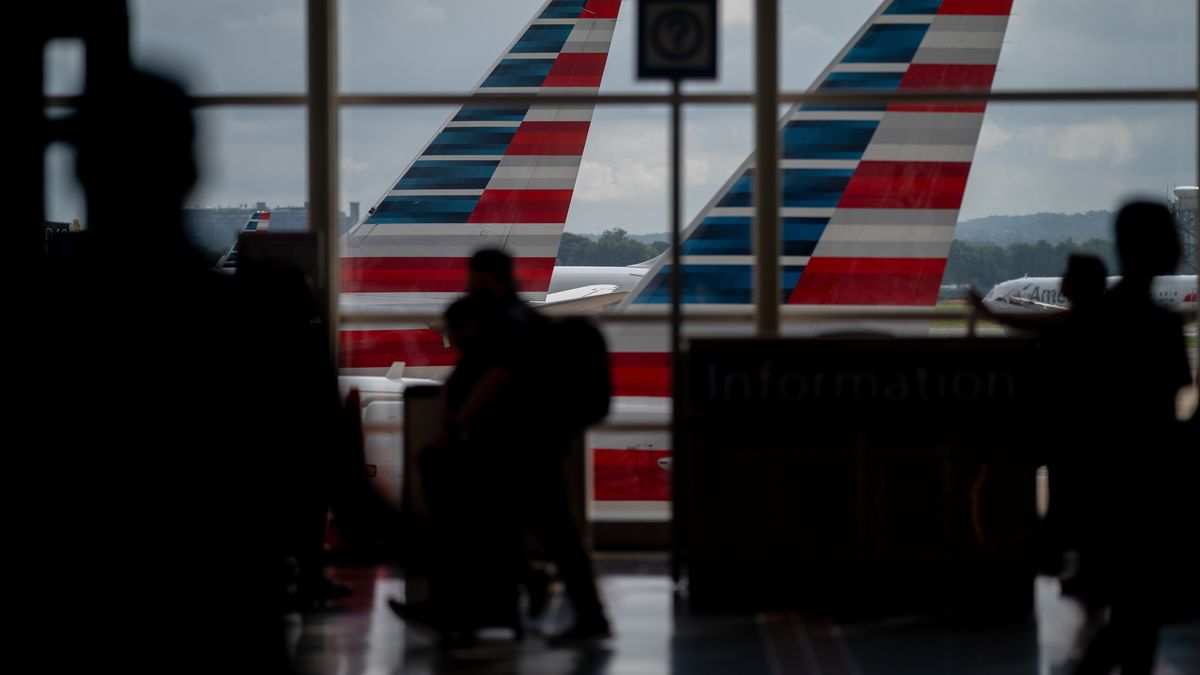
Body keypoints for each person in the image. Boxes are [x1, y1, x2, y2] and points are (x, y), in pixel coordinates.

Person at [390, 249, 612, 644]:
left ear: (489, 278)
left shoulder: (507, 322)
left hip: (523, 447)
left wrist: (457, 425)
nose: (469, 285)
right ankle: (502, 600)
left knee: (494, 523)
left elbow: (497, 377)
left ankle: (470, 604)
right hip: (532, 444)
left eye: (474, 277)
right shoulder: (517, 317)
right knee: (517, 528)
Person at [1070, 202, 1194, 675]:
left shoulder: (1089, 323)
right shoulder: (1161, 328)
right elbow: (1175, 411)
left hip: (1101, 491)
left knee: (1124, 620)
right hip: (1151, 495)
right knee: (1139, 625)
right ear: (1171, 250)